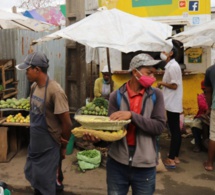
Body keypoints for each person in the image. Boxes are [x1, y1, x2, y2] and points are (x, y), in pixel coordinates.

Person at [84, 53, 166, 195]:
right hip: (117, 164)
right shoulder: (116, 96)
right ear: (135, 72)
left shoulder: (156, 95)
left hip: (145, 166)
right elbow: (111, 132)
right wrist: (97, 140)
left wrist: (132, 116)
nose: (153, 77)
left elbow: (159, 127)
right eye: (149, 73)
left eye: (154, 73)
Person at [16, 52, 73, 195]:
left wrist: (63, 146)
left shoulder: (55, 91)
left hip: (50, 148)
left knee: (52, 185)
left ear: (37, 70)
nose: (26, 73)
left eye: (27, 69)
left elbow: (67, 123)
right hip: (35, 146)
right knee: (37, 181)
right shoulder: (34, 87)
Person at [157, 47, 183, 168]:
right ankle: (175, 156)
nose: (162, 54)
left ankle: (171, 159)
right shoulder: (172, 66)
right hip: (172, 101)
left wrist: (162, 83)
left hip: (172, 102)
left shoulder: (173, 66)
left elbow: (174, 86)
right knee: (175, 129)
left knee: (174, 130)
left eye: (164, 51)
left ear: (171, 53)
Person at [191, 80, 209, 153]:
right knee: (195, 125)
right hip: (202, 116)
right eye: (204, 89)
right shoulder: (201, 96)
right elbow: (202, 106)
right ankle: (197, 144)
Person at [203, 64, 215, 171]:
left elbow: (208, 91)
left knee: (213, 136)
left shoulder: (211, 70)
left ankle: (210, 164)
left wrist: (209, 108)